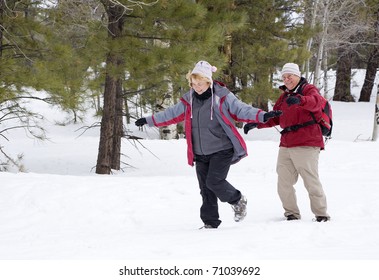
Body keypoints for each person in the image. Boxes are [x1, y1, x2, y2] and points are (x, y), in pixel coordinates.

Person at [135, 60, 281, 229]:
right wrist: (148, 120)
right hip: (200, 152)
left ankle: (237, 199)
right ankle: (210, 223)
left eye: (201, 83)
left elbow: (241, 109)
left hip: (222, 149)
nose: (197, 87)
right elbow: (171, 114)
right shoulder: (189, 100)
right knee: (205, 189)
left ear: (209, 81)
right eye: (194, 83)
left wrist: (262, 115)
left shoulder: (222, 96)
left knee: (214, 182)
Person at [244, 63, 330, 222]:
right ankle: (291, 214)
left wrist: (301, 100)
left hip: (307, 142)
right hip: (286, 144)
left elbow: (317, 103)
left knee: (311, 181)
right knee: (284, 182)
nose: (287, 79)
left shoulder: (308, 90)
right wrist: (257, 123)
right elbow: (276, 117)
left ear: (298, 75)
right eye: (284, 77)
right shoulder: (284, 96)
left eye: (290, 75)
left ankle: (321, 214)